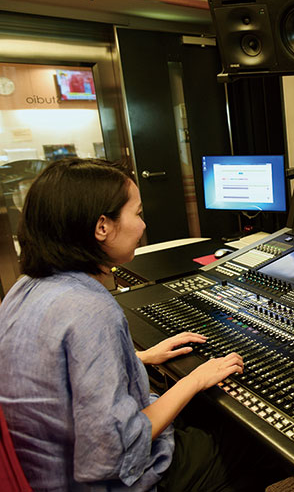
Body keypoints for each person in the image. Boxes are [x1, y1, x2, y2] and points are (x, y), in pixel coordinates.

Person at [0, 158, 253, 491]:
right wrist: (194, 379)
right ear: (102, 226)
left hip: (43, 476)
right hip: (112, 483)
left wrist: (141, 358)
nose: (143, 226)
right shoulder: (90, 311)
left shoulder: (24, 288)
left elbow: (54, 378)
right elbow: (116, 450)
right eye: (137, 213)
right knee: (252, 443)